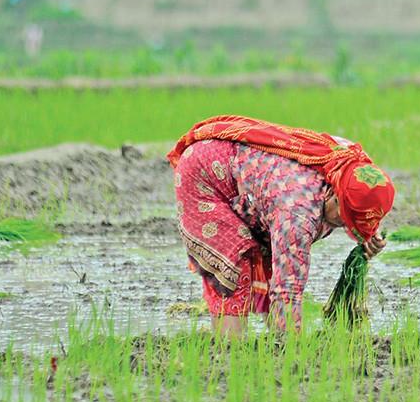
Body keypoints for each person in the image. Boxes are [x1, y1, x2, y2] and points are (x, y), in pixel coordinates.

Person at [168, 115, 395, 335]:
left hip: (252, 178)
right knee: (234, 270)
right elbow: (288, 290)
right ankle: (228, 350)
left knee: (271, 260)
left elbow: (365, 199)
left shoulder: (351, 166)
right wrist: (294, 349)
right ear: (334, 195)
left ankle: (269, 346)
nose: (345, 225)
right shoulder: (297, 214)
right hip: (204, 174)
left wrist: (367, 236)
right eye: (345, 218)